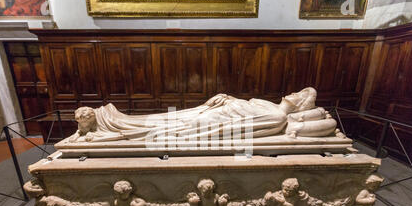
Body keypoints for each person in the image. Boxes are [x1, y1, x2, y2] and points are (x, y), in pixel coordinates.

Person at [68, 87, 338, 143]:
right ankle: (109, 122)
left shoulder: (277, 118)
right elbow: (239, 103)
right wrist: (226, 96)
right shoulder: (266, 103)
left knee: (166, 125)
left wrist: (193, 134)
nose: (292, 95)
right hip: (213, 110)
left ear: (300, 106)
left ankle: (111, 128)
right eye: (296, 93)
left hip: (213, 122)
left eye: (298, 97)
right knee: (165, 117)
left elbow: (240, 131)